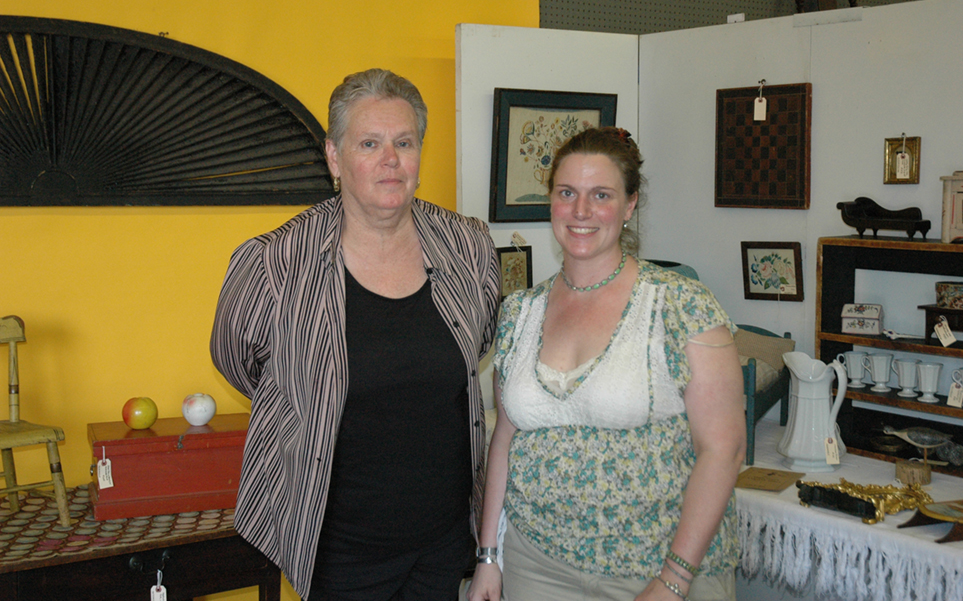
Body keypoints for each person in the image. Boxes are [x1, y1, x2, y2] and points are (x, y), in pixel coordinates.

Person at [211, 68, 501, 601]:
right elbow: (240, 363)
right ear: (334, 156)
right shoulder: (275, 262)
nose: (391, 159)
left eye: (404, 143)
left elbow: (477, 342)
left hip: (442, 543)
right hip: (336, 549)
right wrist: (309, 390)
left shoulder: (470, 246)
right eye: (369, 143)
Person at [468, 127, 744, 601]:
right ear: (550, 201)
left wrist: (673, 580)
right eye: (566, 193)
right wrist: (488, 557)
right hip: (537, 564)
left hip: (655, 568)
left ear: (630, 205)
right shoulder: (520, 312)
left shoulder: (680, 305)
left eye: (601, 195)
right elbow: (505, 441)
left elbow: (724, 451)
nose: (581, 211)